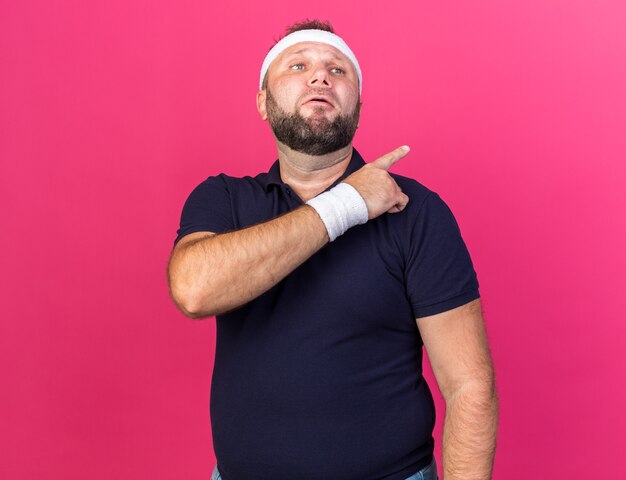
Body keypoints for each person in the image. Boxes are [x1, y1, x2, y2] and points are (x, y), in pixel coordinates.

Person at [168, 19, 498, 480]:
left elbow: (469, 387)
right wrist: (349, 204)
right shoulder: (224, 199)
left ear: (358, 108)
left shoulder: (416, 211)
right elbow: (194, 290)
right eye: (298, 65)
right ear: (263, 102)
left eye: (337, 70)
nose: (320, 77)